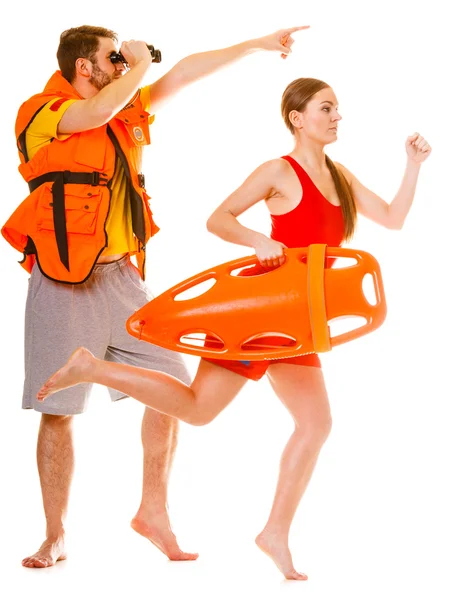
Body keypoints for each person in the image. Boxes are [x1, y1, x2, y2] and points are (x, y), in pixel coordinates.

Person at [37, 77, 431, 579]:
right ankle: (93, 368)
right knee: (200, 410)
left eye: (338, 110)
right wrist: (255, 241)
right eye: (326, 108)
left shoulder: (340, 175)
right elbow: (218, 219)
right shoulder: (278, 171)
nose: (336, 117)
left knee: (315, 424)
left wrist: (413, 166)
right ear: (297, 117)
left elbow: (393, 219)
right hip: (261, 313)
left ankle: (274, 534)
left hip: (299, 325)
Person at [1, 24, 309, 569]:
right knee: (57, 409)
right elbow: (91, 117)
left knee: (170, 388)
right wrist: (138, 67)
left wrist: (252, 45)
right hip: (61, 280)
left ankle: (153, 511)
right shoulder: (42, 111)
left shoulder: (125, 106)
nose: (121, 65)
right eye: (111, 59)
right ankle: (55, 536)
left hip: (122, 278)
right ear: (84, 67)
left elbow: (186, 71)